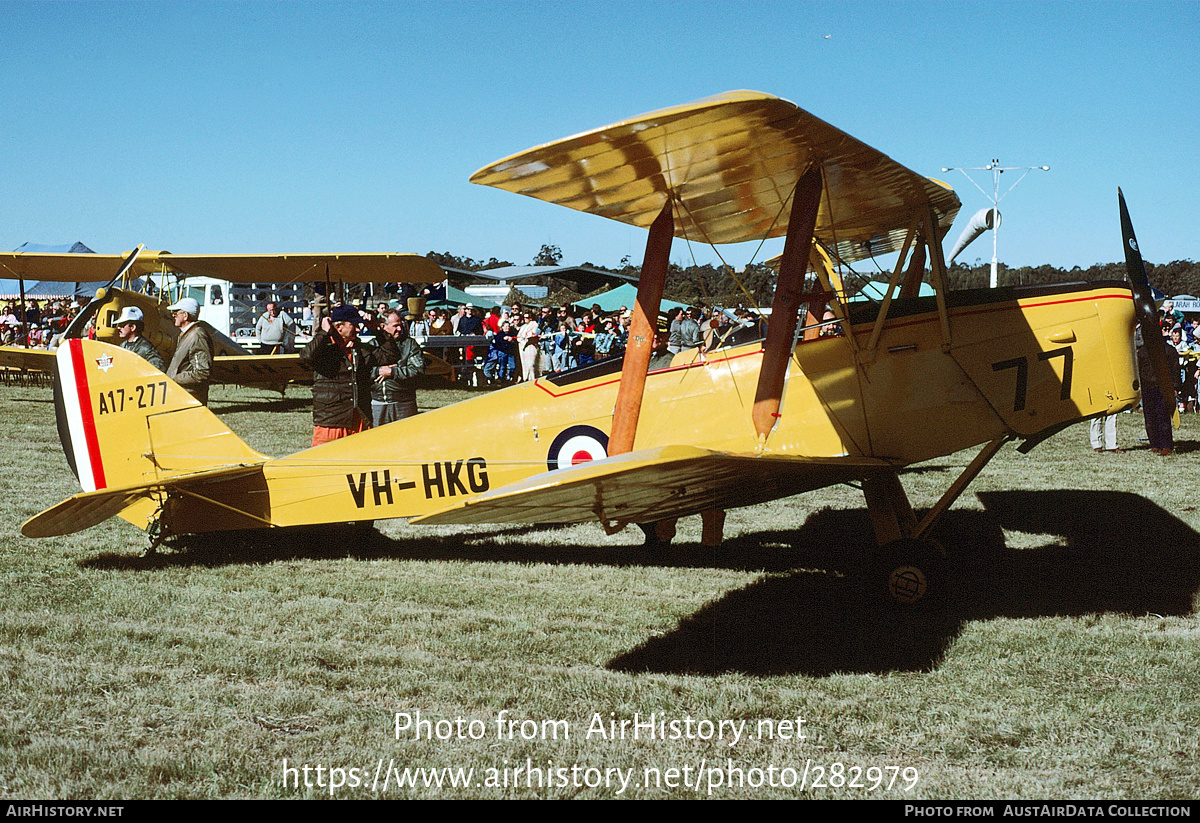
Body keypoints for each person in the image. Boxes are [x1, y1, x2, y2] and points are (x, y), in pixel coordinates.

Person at [300, 304, 399, 446]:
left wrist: (377, 329)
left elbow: (391, 356)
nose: (358, 329)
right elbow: (306, 356)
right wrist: (323, 332)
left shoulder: (360, 350)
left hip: (360, 420)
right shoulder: (324, 350)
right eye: (354, 325)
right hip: (331, 422)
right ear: (339, 327)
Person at [371, 310, 426, 427]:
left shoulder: (410, 345)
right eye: (395, 326)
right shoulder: (372, 345)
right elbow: (362, 371)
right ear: (383, 326)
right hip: (378, 403)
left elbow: (417, 370)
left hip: (404, 403)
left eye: (400, 325)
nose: (399, 329)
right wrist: (378, 371)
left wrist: (392, 372)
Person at [165, 297, 214, 405]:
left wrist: (175, 378)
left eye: (176, 312)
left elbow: (202, 372)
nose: (173, 315)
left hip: (189, 398)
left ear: (185, 315)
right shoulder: (187, 335)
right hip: (182, 397)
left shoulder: (196, 336)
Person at [114, 306, 165, 371]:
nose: (118, 328)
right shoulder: (123, 345)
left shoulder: (145, 347)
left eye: (122, 325)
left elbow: (158, 366)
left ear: (133, 327)